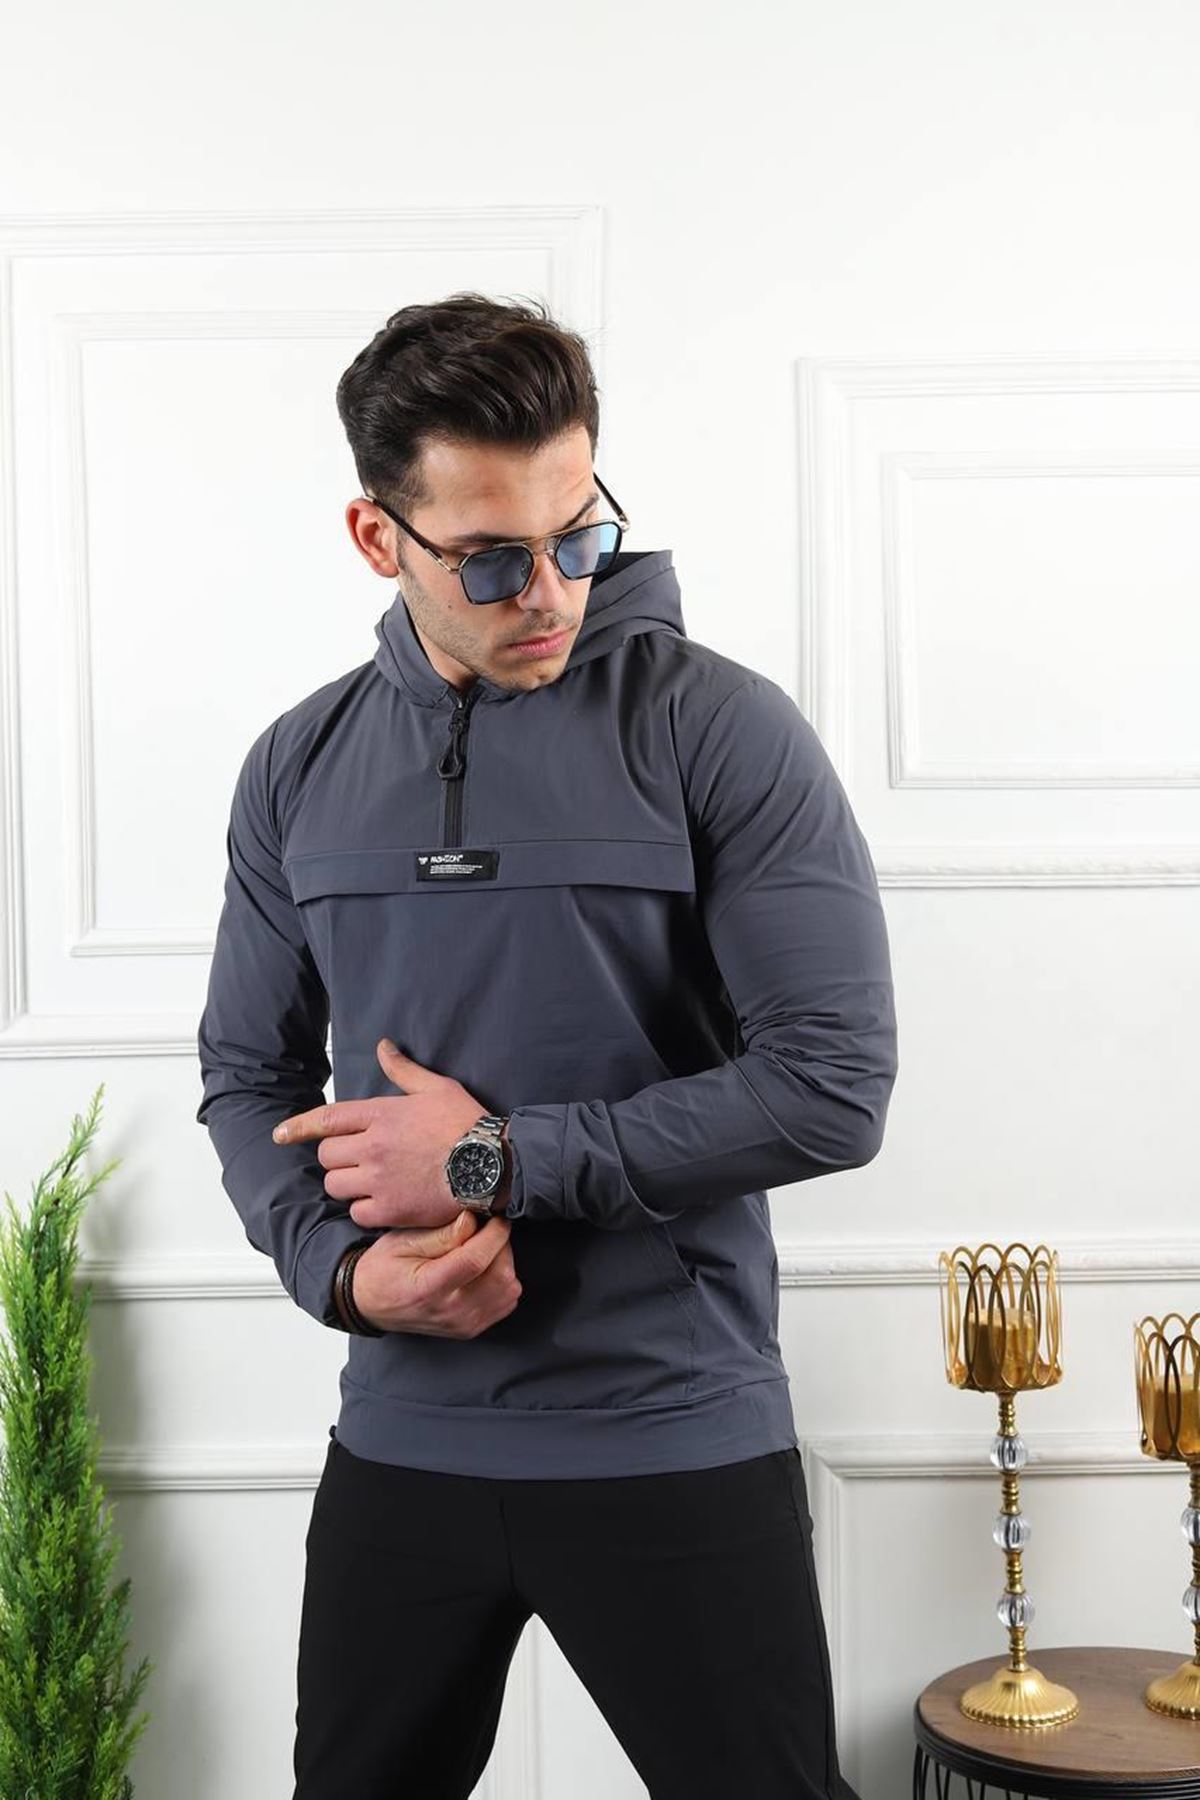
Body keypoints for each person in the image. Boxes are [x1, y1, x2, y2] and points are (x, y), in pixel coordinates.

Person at [195, 291, 899, 1800]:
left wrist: (494, 1158)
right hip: (404, 1434)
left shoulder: (721, 730)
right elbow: (247, 1078)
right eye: (493, 559)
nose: (552, 592)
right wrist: (342, 1274)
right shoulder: (299, 764)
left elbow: (832, 1088)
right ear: (378, 537)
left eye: (579, 535)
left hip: (672, 1430)